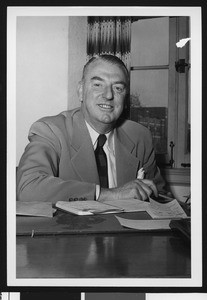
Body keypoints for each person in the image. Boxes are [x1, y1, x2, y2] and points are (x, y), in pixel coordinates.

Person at [17, 54, 165, 204]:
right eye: (97, 85)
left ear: (125, 98)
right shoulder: (51, 131)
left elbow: (161, 197)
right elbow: (28, 189)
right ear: (81, 91)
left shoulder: (140, 136)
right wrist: (107, 194)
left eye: (118, 88)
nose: (108, 95)